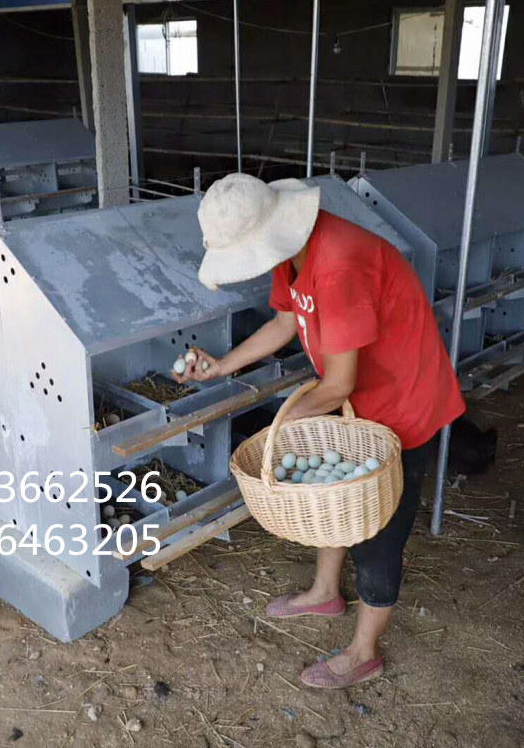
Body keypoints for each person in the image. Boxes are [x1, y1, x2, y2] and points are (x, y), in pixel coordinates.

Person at [174, 172, 465, 689]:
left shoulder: (337, 265)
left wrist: (284, 427)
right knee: (335, 496)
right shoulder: (295, 252)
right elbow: (286, 323)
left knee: (379, 528)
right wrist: (222, 367)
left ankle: (363, 651)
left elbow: (336, 384)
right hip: (354, 397)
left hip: (402, 400)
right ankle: (325, 593)